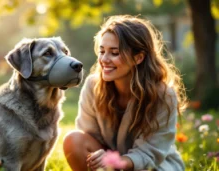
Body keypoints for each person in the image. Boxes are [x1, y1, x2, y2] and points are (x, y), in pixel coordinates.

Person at [63, 15, 187, 171]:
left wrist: (119, 162)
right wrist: (104, 159)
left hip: (152, 165)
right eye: (102, 51)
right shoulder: (93, 85)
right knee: (74, 140)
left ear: (138, 57)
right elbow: (89, 137)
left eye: (114, 53)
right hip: (109, 161)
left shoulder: (163, 95)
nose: (104, 60)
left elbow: (150, 154)